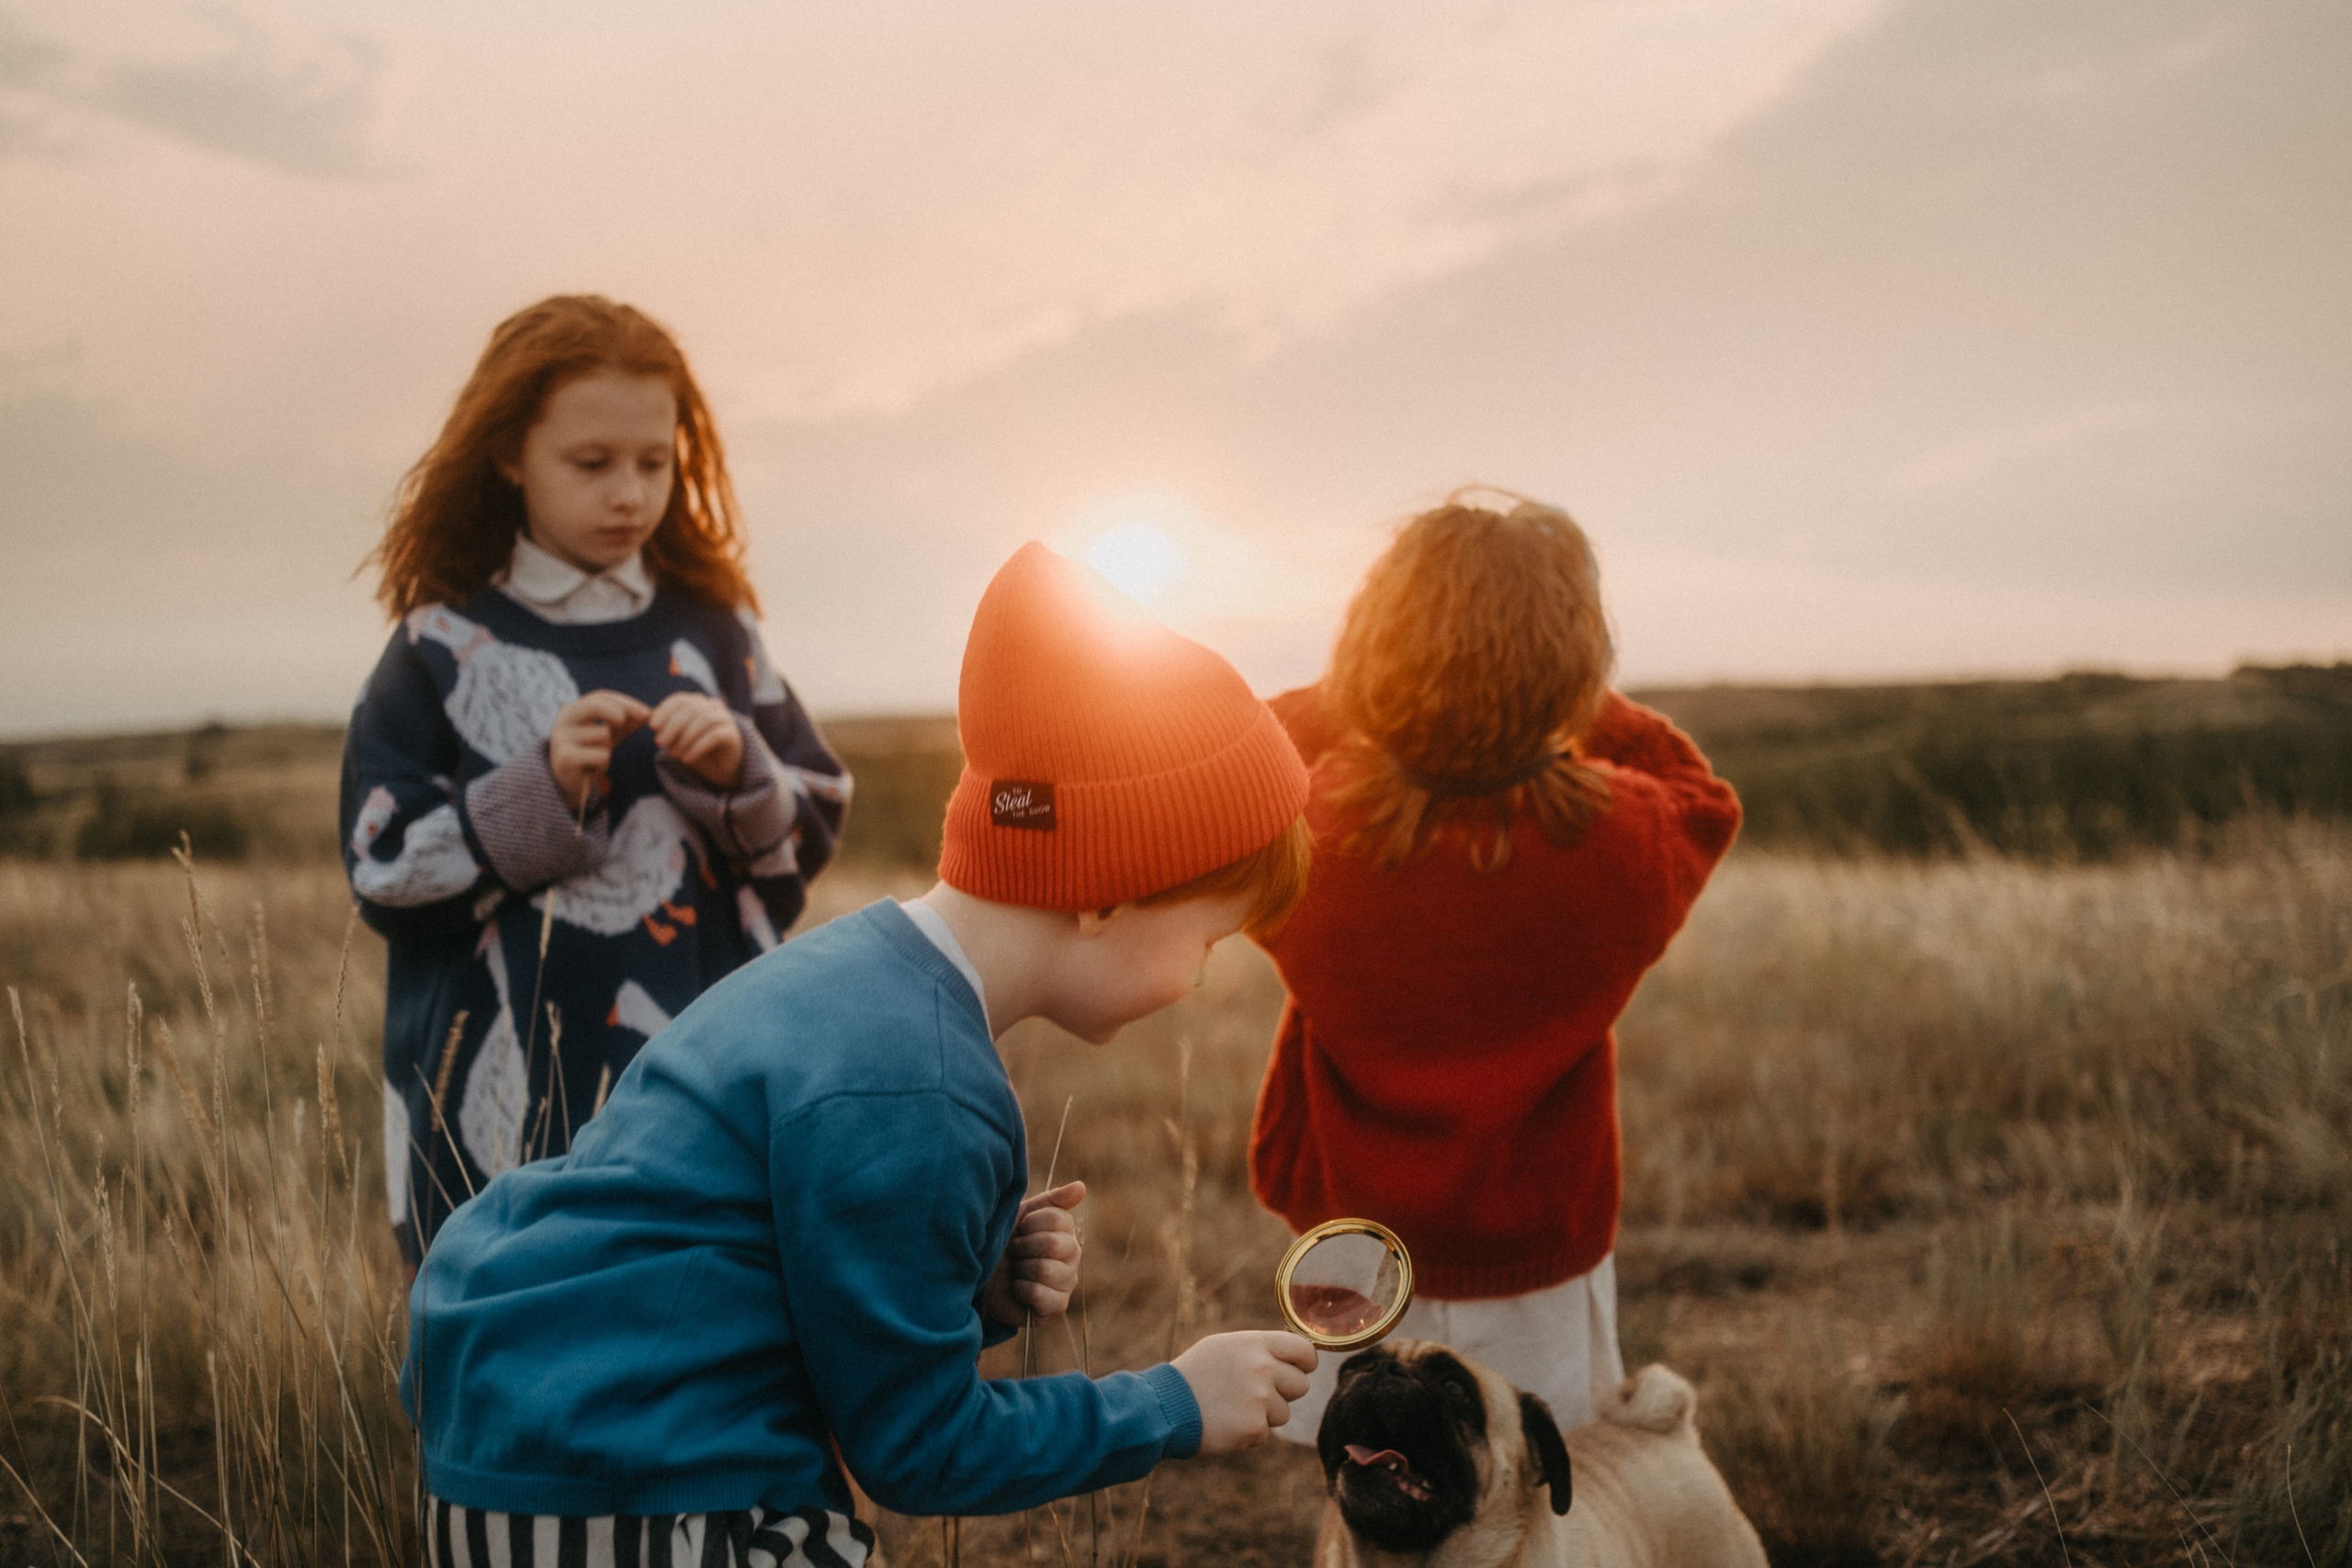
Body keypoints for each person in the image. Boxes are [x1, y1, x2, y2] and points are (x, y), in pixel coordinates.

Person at [401, 542, 1321, 1564]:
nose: (1197, 981)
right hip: (650, 1494)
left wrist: (975, 1292)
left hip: (545, 1461)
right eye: (1205, 940)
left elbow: (757, 1274)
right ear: (1105, 891)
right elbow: (921, 1452)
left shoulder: (856, 978)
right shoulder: (918, 1084)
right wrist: (1173, 1403)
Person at [342, 295, 850, 1269]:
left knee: (701, 1345)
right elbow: (381, 866)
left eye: (654, 464)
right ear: (507, 455)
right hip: (494, 1102)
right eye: (592, 463)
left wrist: (740, 772)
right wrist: (539, 793)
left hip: (707, 1075)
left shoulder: (715, 632)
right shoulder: (438, 648)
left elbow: (814, 815)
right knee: (509, 1350)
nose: (629, 494)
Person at [1249, 490, 1742, 1437]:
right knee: (1534, 1494)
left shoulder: (1306, 834)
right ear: (1571, 669)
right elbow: (1702, 796)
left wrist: (1361, 687)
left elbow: (1248, 751)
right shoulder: (1621, 842)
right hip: (1535, 1254)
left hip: (1349, 1239)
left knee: (1365, 1490)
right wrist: (1572, 698)